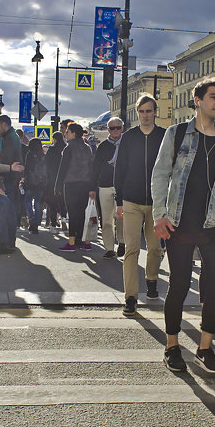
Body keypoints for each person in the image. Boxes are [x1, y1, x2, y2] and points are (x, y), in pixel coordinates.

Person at [151, 76, 215, 375]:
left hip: (214, 225)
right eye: (214, 97)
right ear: (198, 100)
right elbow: (160, 175)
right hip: (178, 224)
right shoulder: (177, 134)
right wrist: (159, 215)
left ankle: (205, 348)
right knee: (177, 286)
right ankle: (172, 345)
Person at [114, 93, 166, 315]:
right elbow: (120, 169)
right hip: (131, 201)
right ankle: (131, 298)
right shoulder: (129, 137)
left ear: (155, 112)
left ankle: (152, 280)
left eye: (149, 111)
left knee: (155, 249)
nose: (145, 115)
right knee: (131, 249)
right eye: (141, 111)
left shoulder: (165, 136)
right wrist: (118, 202)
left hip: (157, 203)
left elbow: (171, 168)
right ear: (137, 114)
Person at [54, 121, 95, 251]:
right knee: (82, 213)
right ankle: (83, 241)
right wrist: (92, 186)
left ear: (73, 133)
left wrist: (57, 186)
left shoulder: (69, 148)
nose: (65, 134)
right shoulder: (87, 147)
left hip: (71, 184)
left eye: (67, 131)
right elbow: (91, 168)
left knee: (72, 213)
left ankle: (72, 242)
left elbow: (63, 168)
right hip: (85, 184)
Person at [93, 117, 124, 258]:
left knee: (121, 217)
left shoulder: (127, 144)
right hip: (105, 185)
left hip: (123, 186)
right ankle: (109, 248)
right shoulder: (103, 146)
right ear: (108, 130)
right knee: (106, 219)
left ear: (122, 128)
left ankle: (122, 242)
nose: (115, 130)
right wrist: (93, 187)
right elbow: (95, 167)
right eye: (112, 128)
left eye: (118, 127)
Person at [0, 115, 24, 228]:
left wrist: (1, 176)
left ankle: (7, 239)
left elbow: (6, 159)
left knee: (7, 207)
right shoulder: (12, 136)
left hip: (8, 177)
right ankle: (8, 238)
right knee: (10, 206)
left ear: (5, 125)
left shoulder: (9, 138)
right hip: (12, 177)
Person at [22, 138, 47, 234]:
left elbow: (27, 168)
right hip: (40, 183)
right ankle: (36, 223)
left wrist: (23, 179)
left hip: (30, 182)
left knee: (27, 201)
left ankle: (31, 217)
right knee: (37, 203)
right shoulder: (43, 156)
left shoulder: (29, 155)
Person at [43, 130, 66, 229]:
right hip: (64, 179)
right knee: (63, 200)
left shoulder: (52, 149)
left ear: (55, 139)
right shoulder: (66, 148)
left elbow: (46, 163)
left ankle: (53, 223)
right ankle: (64, 218)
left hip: (52, 179)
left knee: (52, 202)